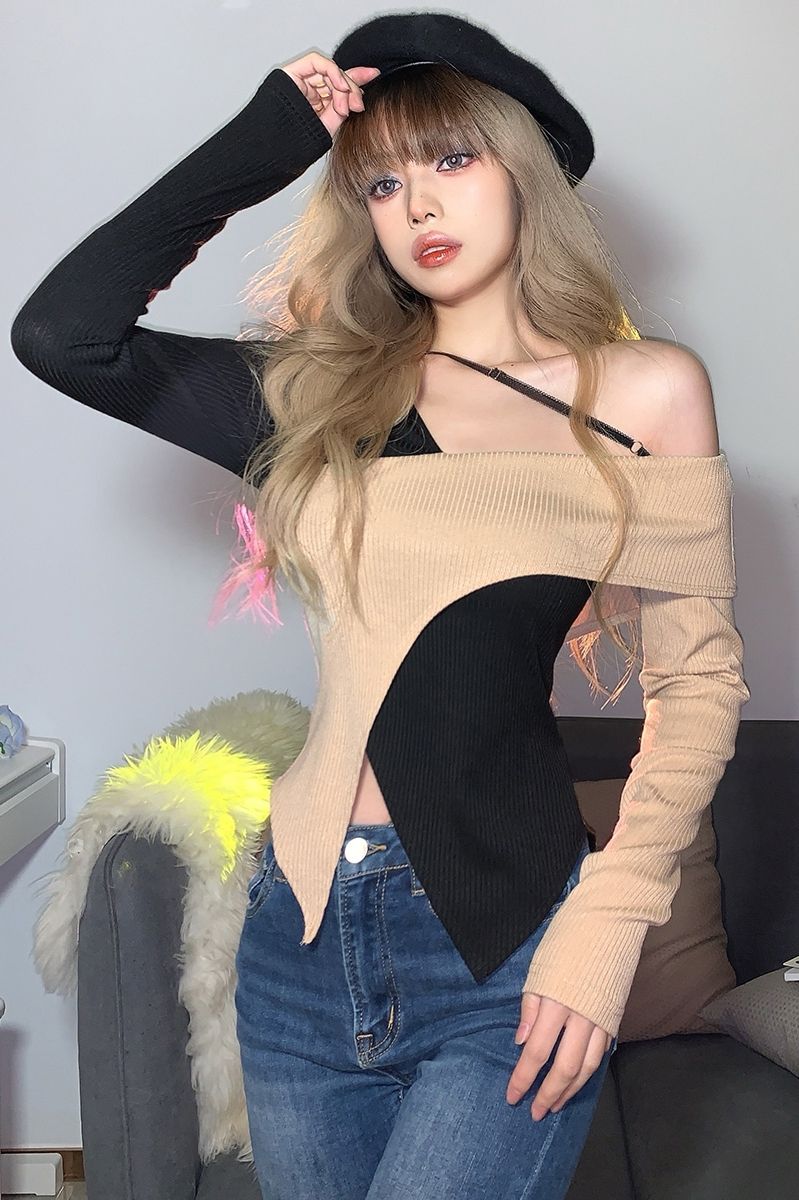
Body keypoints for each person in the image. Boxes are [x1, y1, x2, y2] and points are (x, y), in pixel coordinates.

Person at [11, 11, 749, 1199]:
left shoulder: (642, 392)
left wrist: (609, 927)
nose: (418, 206)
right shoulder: (320, 396)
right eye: (383, 183)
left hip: (506, 942)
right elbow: (64, 336)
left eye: (452, 159)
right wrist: (268, 138)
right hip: (297, 938)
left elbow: (698, 684)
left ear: (525, 169)